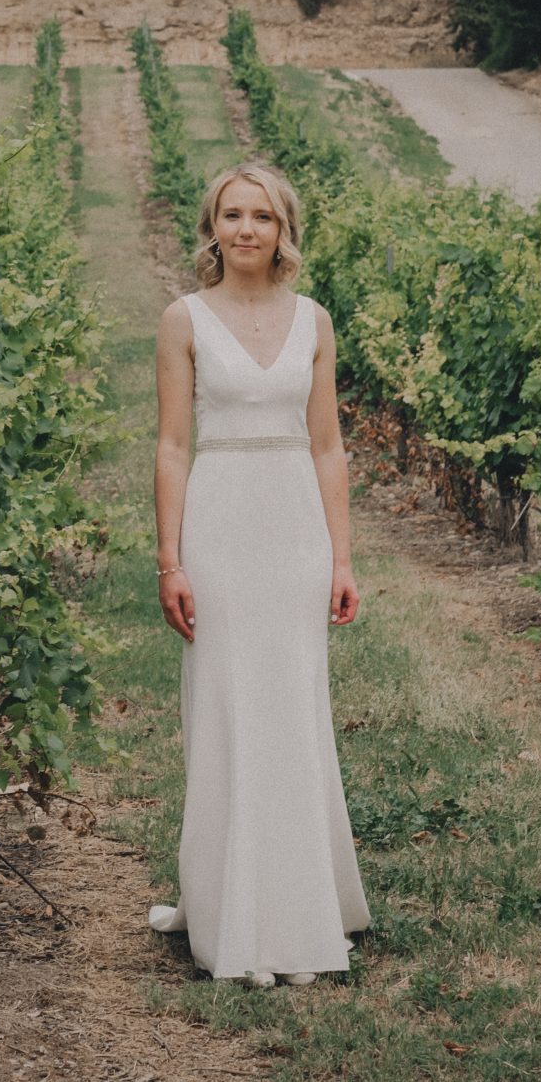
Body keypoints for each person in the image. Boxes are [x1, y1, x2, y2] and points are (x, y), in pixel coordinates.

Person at [149, 162, 371, 987]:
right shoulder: (184, 319)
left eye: (263, 216)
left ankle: (302, 910)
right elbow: (173, 445)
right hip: (220, 525)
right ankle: (228, 913)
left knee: (292, 709)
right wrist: (170, 558)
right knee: (229, 706)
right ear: (213, 227)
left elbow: (328, 445)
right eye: (233, 214)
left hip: (295, 529)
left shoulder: (314, 320)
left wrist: (340, 556)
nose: (247, 229)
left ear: (284, 231)